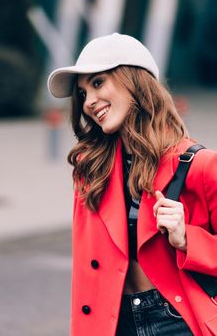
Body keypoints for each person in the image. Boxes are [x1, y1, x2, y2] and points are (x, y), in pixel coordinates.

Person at [48, 33, 217, 336]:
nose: (89, 102)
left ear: (134, 80)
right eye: (83, 93)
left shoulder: (200, 165)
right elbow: (86, 276)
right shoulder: (91, 171)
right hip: (112, 323)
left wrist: (187, 239)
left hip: (177, 320)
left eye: (98, 83)